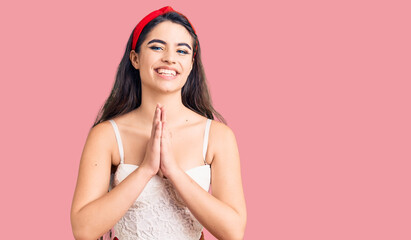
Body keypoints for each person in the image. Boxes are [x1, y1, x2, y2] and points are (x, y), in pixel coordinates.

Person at [70, 6, 246, 240]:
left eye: (182, 51)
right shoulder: (106, 135)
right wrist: (145, 170)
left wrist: (173, 170)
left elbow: (233, 231)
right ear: (135, 58)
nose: (170, 58)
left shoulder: (217, 136)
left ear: (192, 63)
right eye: (157, 47)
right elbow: (83, 230)